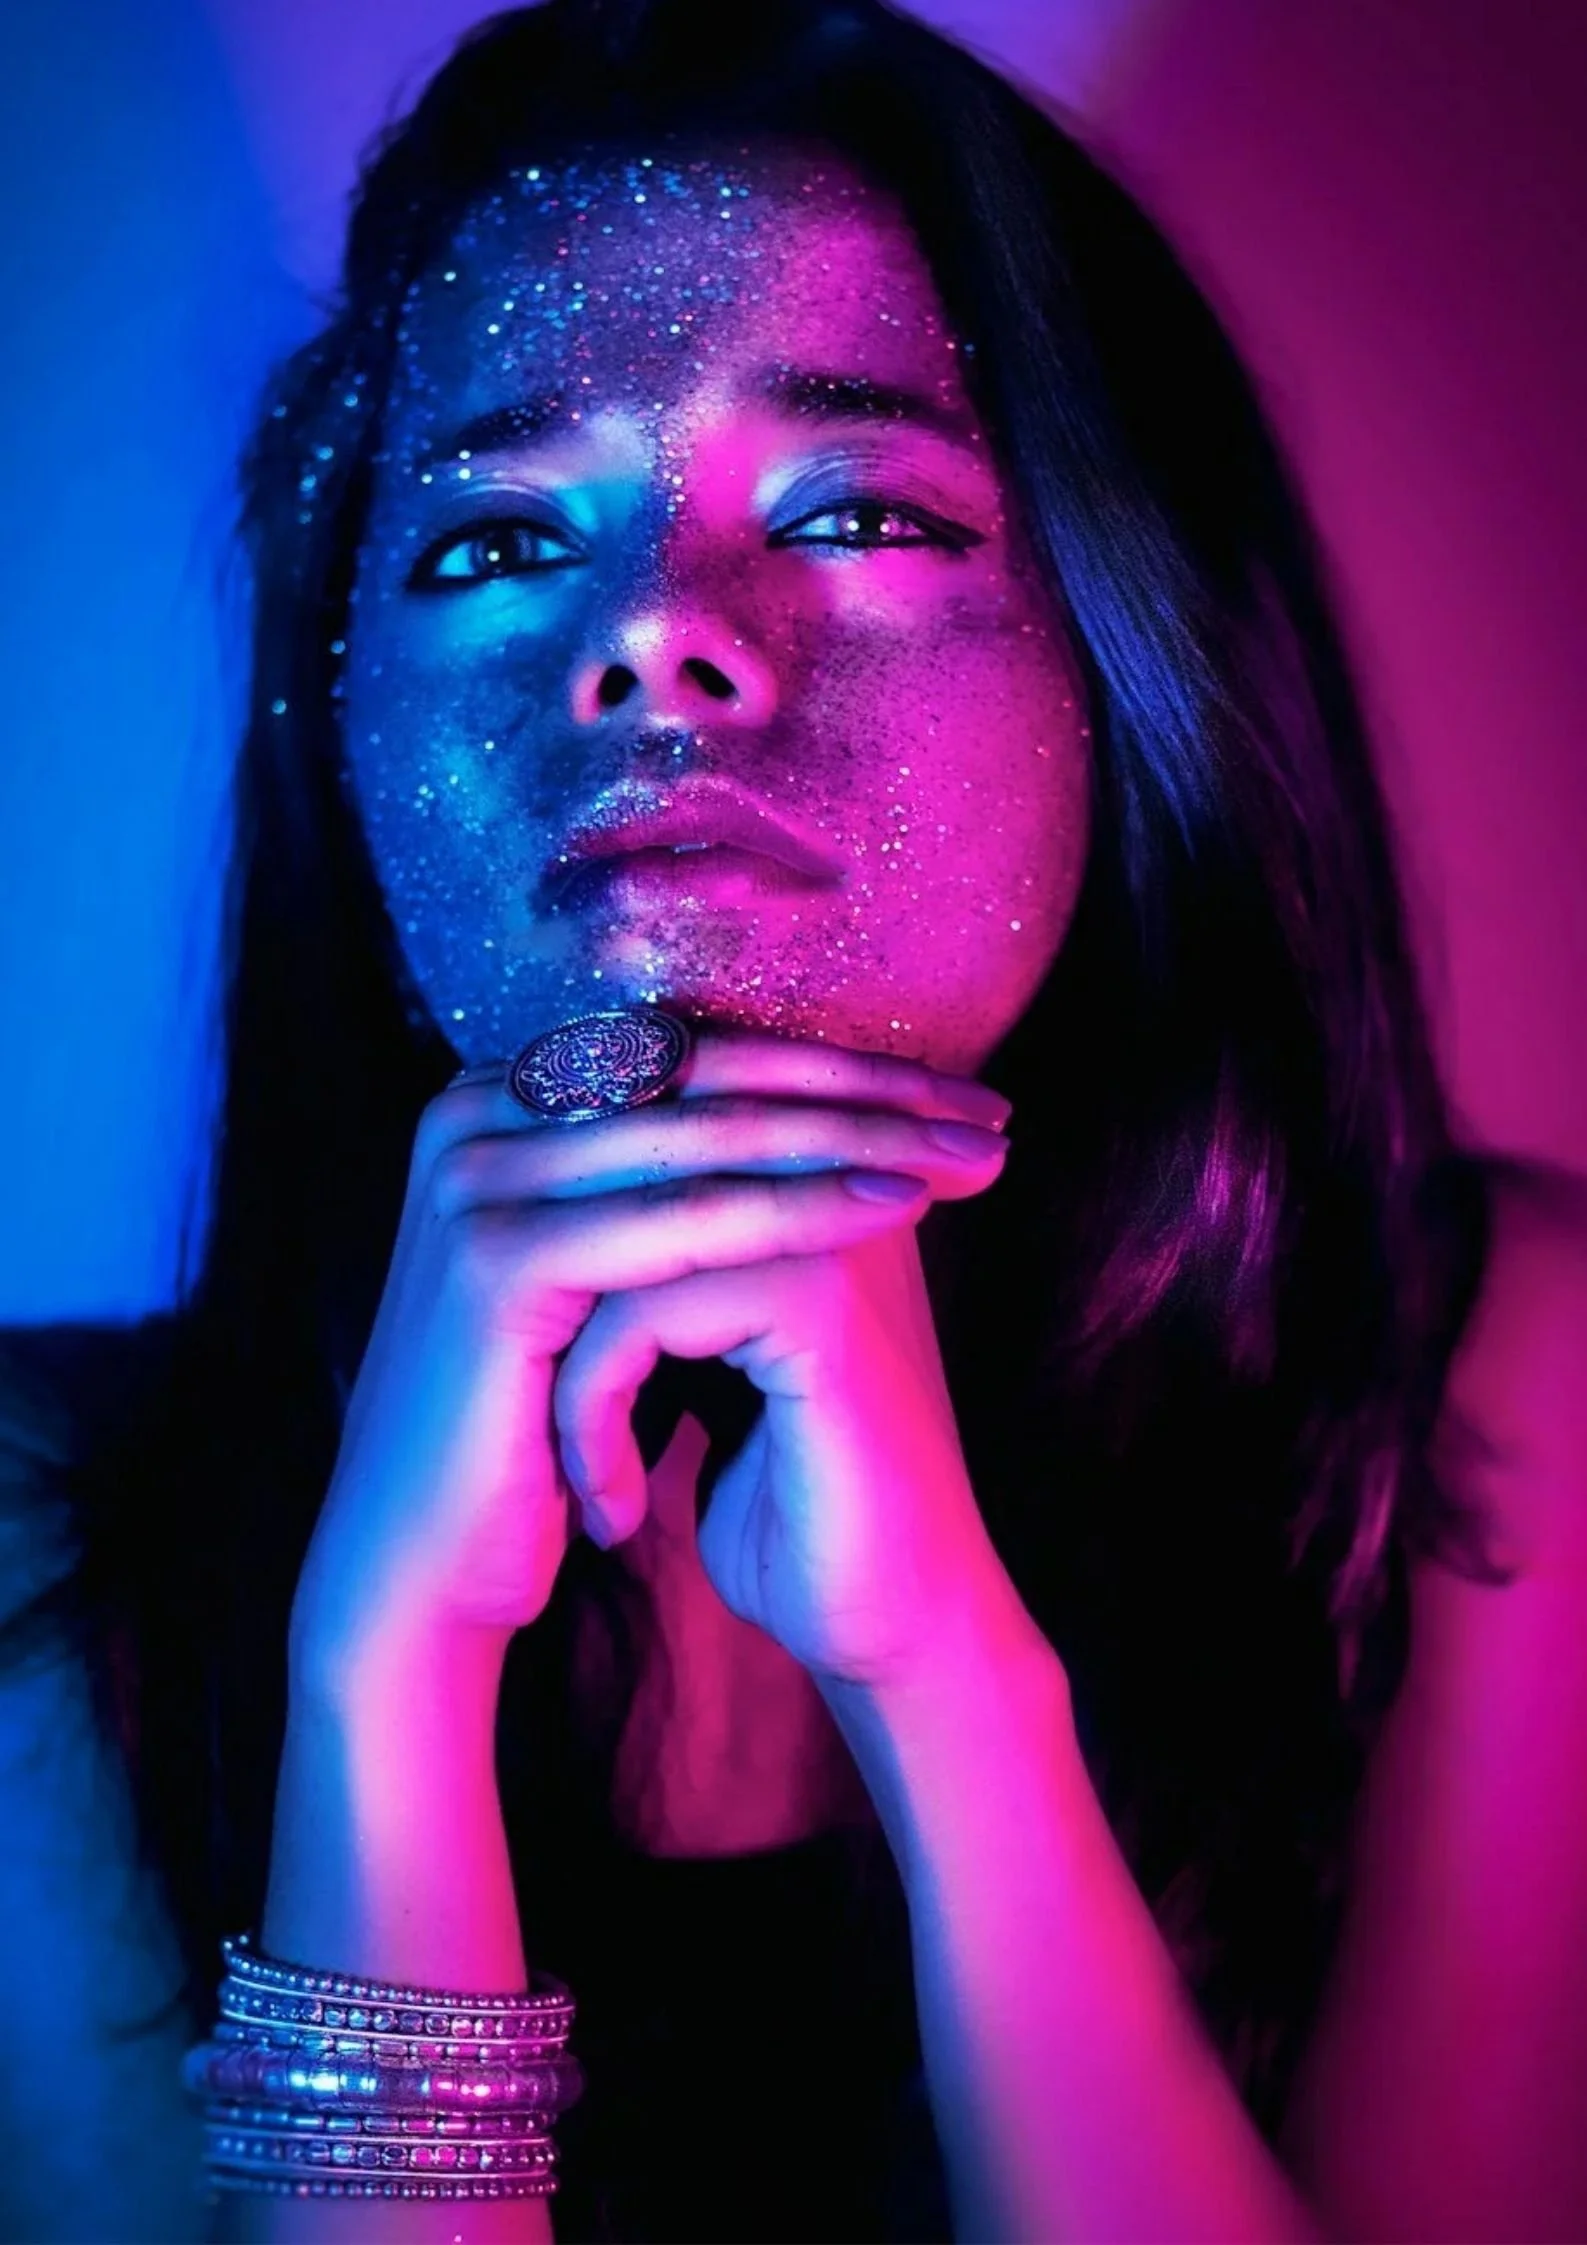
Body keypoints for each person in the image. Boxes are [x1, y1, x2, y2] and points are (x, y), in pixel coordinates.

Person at [3, 0, 1586, 2236]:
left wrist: (949, 1678)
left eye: (852, 505)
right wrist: (387, 1667)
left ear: (1118, 647)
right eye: (489, 544)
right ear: (338, 731)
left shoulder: (1490, 1387)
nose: (654, 633)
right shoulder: (31, 1547)